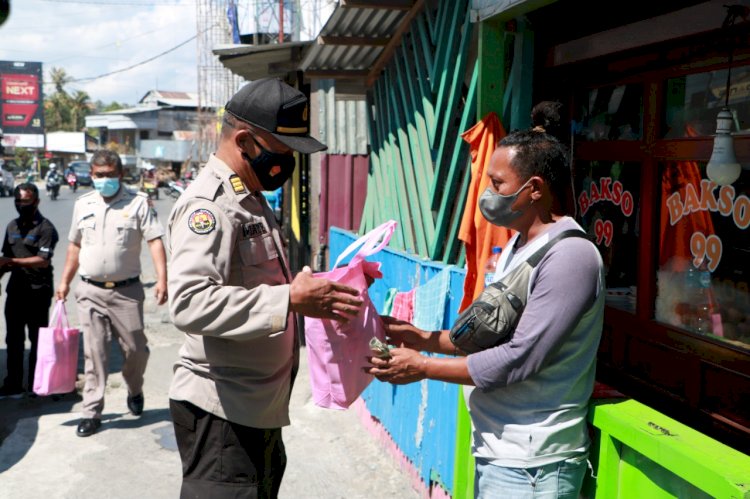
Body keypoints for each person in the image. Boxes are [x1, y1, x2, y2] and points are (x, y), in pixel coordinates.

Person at [367, 127, 605, 498]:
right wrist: (419, 337)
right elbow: (489, 338)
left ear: (535, 188)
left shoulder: (570, 256)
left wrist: (423, 366)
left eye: (497, 183)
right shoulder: (518, 245)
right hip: (500, 451)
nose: (487, 194)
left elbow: (518, 358)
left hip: (533, 463)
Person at [167, 77, 364, 497]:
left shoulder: (249, 198)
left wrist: (318, 290)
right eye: (282, 151)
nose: (287, 162)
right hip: (223, 412)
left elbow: (257, 285)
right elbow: (188, 302)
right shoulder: (210, 206)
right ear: (245, 141)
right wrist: (290, 298)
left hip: (256, 407)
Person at [56, 149, 168, 437]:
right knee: (95, 353)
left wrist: (162, 279)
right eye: (98, 175)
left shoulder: (139, 203)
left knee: (135, 350)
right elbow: (74, 246)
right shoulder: (83, 204)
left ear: (120, 175)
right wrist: (65, 282)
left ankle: (135, 387)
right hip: (90, 290)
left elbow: (155, 241)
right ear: (91, 175)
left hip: (127, 292)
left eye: (108, 175)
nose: (103, 180)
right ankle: (92, 411)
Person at [0, 183, 59, 396]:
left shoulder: (46, 228)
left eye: (25, 201)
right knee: (13, 339)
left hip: (38, 291)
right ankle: (13, 383)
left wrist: (11, 261)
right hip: (15, 291)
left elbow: (42, 261)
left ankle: (37, 383)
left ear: (36, 201)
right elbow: (4, 261)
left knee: (37, 339)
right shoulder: (12, 227)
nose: (21, 205)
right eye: (18, 201)